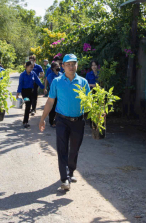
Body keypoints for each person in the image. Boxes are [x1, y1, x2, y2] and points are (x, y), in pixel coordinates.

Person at [39, 54, 90, 191]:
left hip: (78, 121)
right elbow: (50, 101)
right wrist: (43, 118)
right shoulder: (57, 82)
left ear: (77, 65)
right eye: (68, 64)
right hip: (61, 120)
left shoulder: (83, 82)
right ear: (63, 66)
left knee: (74, 149)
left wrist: (98, 115)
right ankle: (65, 178)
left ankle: (71, 171)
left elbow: (89, 103)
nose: (71, 67)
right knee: (62, 149)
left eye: (73, 64)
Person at [16, 61, 45, 128]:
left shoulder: (33, 73)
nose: (31, 68)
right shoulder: (22, 75)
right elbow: (20, 85)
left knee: (30, 104)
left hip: (31, 91)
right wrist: (17, 94)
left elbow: (38, 81)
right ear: (26, 67)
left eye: (32, 67)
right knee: (28, 105)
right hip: (24, 92)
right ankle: (25, 122)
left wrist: (43, 88)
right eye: (30, 67)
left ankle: (25, 121)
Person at [44, 61, 63, 127]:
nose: (58, 68)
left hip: (60, 93)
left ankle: (57, 121)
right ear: (53, 68)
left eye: (58, 66)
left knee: (59, 107)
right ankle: (51, 121)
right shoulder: (50, 76)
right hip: (53, 93)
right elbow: (53, 84)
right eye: (56, 67)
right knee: (53, 107)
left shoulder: (61, 74)